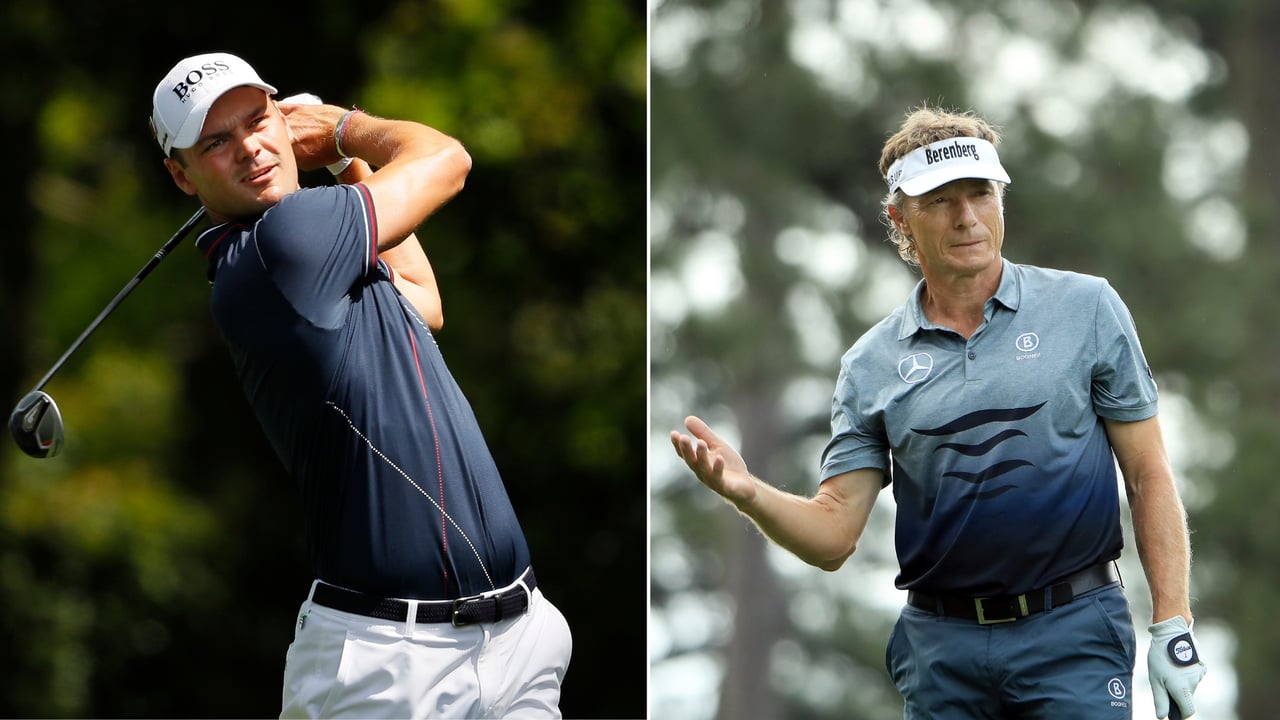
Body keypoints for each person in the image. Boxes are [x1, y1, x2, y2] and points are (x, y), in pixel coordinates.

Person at [670, 106, 1206, 719]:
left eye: (981, 194)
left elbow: (1147, 474)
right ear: (900, 217)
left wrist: (1172, 623)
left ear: (1002, 199)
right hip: (941, 653)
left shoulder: (1087, 308)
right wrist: (747, 492)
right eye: (941, 200)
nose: (967, 217)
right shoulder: (870, 364)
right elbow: (833, 536)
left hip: (1073, 636)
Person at [150, 52, 571, 719]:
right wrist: (344, 130)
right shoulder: (285, 242)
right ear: (183, 175)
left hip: (516, 641)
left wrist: (347, 168)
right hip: (386, 666)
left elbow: (423, 300)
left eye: (258, 121)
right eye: (216, 142)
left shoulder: (313, 250)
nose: (251, 148)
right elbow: (447, 160)